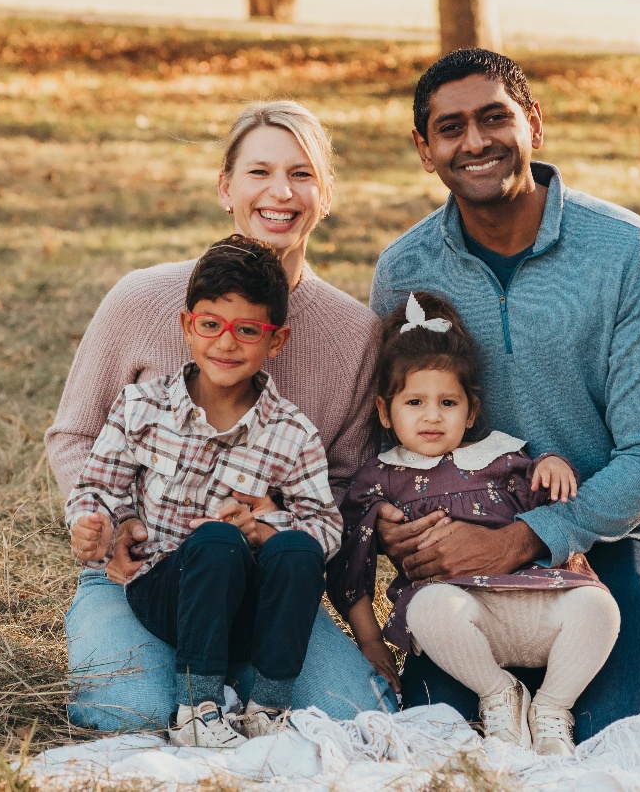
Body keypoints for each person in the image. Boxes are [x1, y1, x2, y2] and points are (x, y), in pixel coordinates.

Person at [369, 49, 640, 741]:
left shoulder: (628, 250)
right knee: (443, 731)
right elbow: (397, 425)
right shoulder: (405, 269)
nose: (476, 141)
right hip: (465, 535)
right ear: (425, 150)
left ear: (535, 124)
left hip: (622, 530)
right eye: (451, 128)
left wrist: (525, 539)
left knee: (613, 732)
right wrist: (392, 523)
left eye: (496, 118)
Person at [47, 101, 396, 732]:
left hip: (272, 588)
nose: (280, 192)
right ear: (225, 187)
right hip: (142, 572)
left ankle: (249, 683)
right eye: (259, 171)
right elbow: (74, 435)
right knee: (130, 714)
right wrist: (116, 520)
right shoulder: (141, 299)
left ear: (326, 194)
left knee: (355, 717)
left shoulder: (354, 335)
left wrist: (272, 521)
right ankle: (187, 684)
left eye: (302, 174)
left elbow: (343, 487)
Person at [67, 236, 342, 747]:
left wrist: (264, 529)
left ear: (275, 341)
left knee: (298, 547)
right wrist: (96, 525)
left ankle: (269, 707)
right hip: (164, 591)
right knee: (215, 543)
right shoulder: (141, 407)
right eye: (211, 325)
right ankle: (198, 709)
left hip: (250, 606)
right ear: (187, 326)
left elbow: (327, 525)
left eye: (248, 330)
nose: (226, 343)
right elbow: (97, 487)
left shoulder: (292, 432)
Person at [327, 292, 620, 756]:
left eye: (448, 402)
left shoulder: (499, 456)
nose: (431, 415)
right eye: (415, 401)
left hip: (536, 600)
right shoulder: (381, 477)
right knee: (428, 608)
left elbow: (543, 496)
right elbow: (349, 559)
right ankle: (499, 694)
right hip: (465, 620)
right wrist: (368, 638)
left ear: (471, 412)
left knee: (598, 609)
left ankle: (552, 709)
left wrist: (552, 464)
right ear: (385, 411)